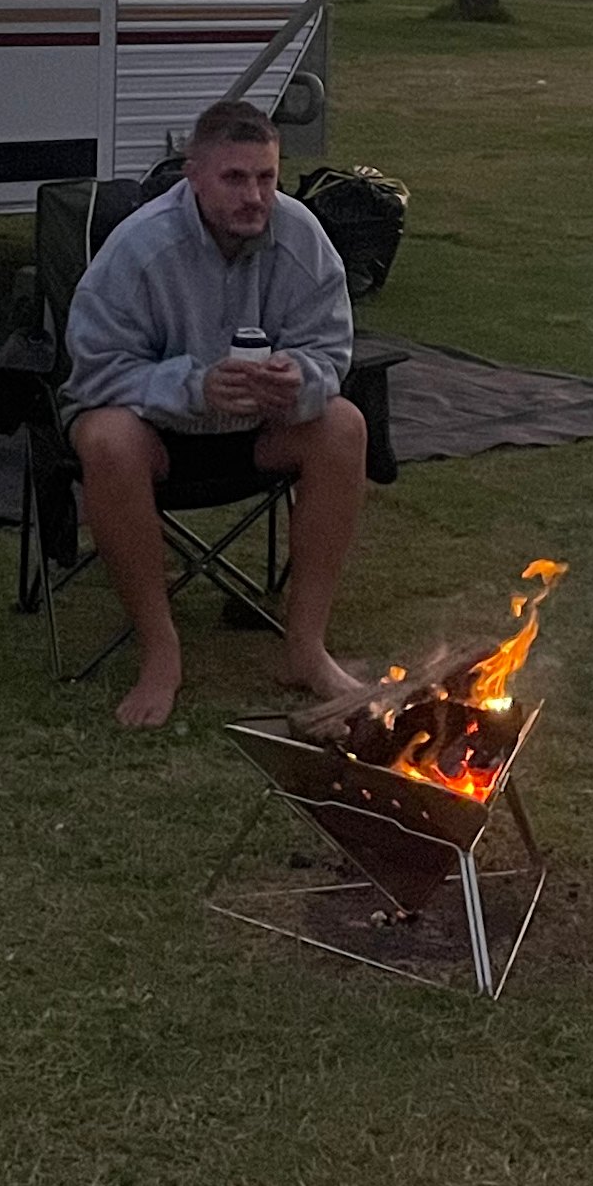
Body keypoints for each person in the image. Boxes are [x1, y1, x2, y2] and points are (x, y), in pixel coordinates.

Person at [61, 98, 368, 728]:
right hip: (158, 435)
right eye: (234, 178)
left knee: (342, 424)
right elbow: (93, 371)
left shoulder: (302, 237)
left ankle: (305, 647)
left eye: (265, 178)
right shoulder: (140, 248)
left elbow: (329, 352)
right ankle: (160, 650)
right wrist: (194, 385)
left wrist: (298, 378)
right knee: (105, 438)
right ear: (193, 175)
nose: (254, 196)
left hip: (258, 428)